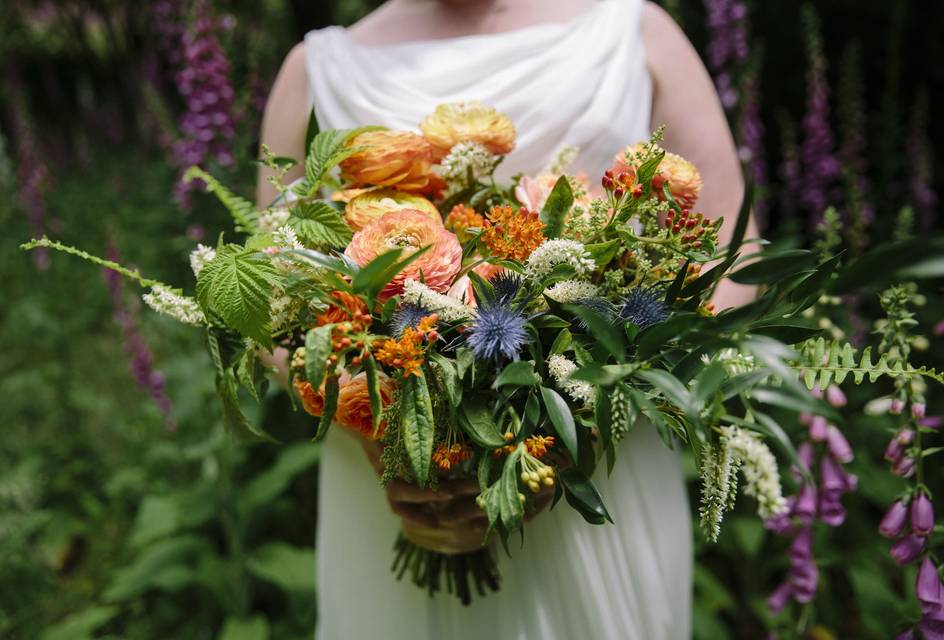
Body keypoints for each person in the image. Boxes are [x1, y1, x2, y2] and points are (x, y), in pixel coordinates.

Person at [257, 1, 757, 637]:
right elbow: (269, 309)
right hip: (388, 500)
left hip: (597, 489)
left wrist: (573, 433)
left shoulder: (637, 33)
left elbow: (734, 258)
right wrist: (405, 445)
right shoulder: (314, 71)